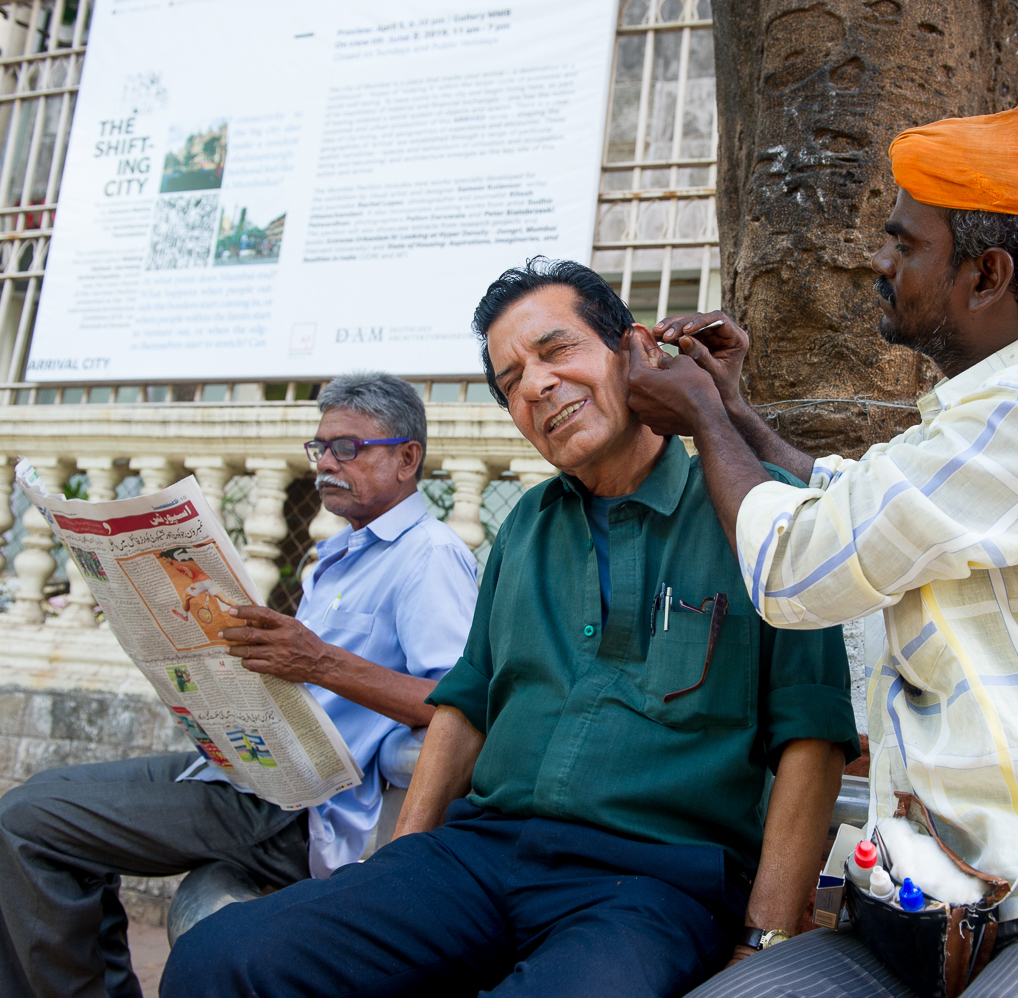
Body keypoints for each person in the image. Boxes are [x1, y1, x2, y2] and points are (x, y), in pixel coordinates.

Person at [624, 96, 1018, 998]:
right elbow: (862, 503)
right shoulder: (984, 416)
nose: (878, 261)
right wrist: (734, 413)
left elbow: (799, 566)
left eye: (906, 243)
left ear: (987, 274)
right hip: (930, 918)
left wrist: (702, 421)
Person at [160, 259, 861, 998]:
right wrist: (397, 865)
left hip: (653, 883)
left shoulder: (758, 514)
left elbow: (810, 740)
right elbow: (464, 709)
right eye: (511, 381)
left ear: (634, 351)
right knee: (221, 960)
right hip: (479, 853)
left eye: (557, 351)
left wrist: (763, 942)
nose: (534, 386)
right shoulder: (526, 525)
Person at [0, 373, 479, 998]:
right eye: (318, 448)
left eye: (347, 448)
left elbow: (457, 705)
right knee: (37, 805)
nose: (326, 462)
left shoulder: (428, 556)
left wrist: (317, 661)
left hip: (296, 804)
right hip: (245, 768)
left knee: (28, 823)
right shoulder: (341, 555)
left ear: (408, 458)